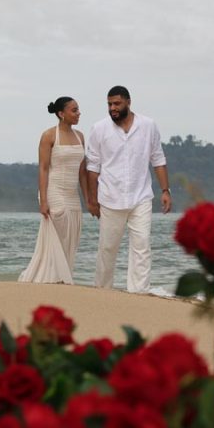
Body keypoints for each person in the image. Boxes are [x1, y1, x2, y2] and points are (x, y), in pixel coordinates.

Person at [85, 86, 171, 293]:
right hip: (110, 197)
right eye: (109, 104)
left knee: (142, 246)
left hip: (140, 196)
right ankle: (102, 290)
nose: (112, 108)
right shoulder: (99, 128)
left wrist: (165, 190)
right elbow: (93, 167)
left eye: (116, 104)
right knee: (107, 248)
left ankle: (139, 292)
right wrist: (92, 199)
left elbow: (157, 159)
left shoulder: (148, 125)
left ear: (128, 102)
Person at [18, 97, 88, 284]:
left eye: (78, 109)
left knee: (72, 231)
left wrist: (89, 199)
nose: (78, 113)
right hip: (54, 190)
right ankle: (50, 276)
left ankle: (62, 277)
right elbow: (43, 168)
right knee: (59, 223)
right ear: (61, 114)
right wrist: (43, 200)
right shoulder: (49, 135)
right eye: (74, 110)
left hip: (73, 194)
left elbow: (83, 172)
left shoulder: (80, 136)